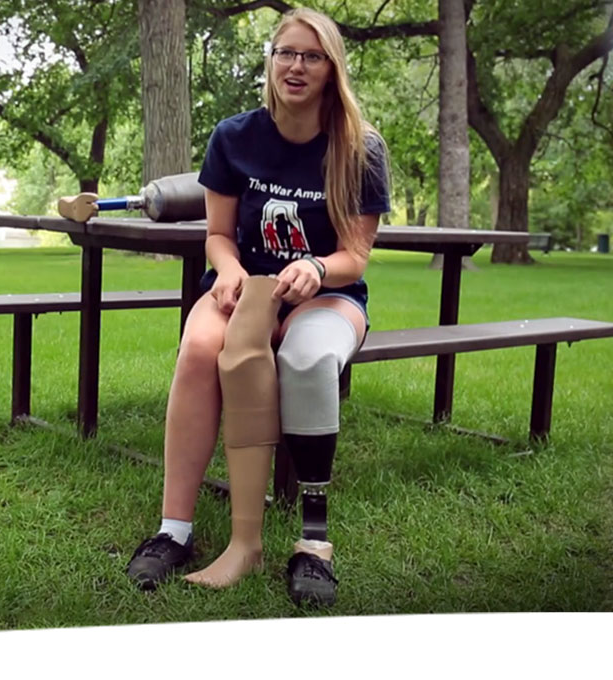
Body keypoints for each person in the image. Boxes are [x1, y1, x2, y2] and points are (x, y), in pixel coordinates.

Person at [121, 7, 390, 608]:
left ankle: (313, 543)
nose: (296, 66)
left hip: (328, 294)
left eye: (311, 55)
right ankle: (175, 532)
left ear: (331, 68)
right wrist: (234, 271)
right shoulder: (234, 137)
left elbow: (356, 255)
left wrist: (316, 268)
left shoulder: (360, 148)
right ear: (270, 62)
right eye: (285, 53)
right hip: (242, 289)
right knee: (198, 350)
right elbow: (217, 235)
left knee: (308, 358)